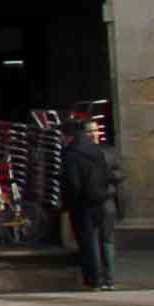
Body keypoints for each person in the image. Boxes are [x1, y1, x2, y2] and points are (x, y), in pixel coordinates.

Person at [59, 108, 121, 291]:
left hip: (83, 204)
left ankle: (93, 279)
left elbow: (72, 183)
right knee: (105, 241)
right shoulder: (97, 151)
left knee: (88, 242)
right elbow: (110, 176)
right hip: (103, 200)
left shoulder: (71, 154)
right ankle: (107, 279)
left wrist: (67, 204)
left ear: (67, 136)